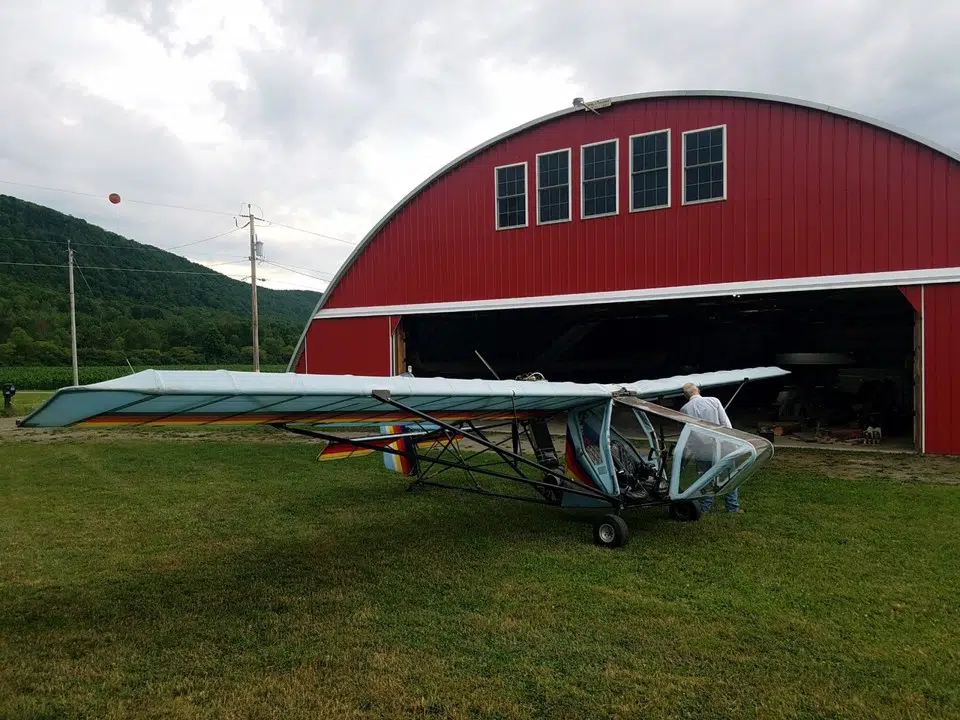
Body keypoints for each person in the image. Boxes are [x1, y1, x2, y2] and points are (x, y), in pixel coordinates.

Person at [679, 382, 742, 514]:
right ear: (699, 390)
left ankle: (705, 507)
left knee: (705, 477)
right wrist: (732, 441)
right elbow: (725, 424)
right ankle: (732, 507)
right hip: (722, 445)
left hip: (702, 449)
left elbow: (687, 434)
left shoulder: (684, 409)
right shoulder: (714, 401)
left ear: (685, 396)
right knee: (729, 475)